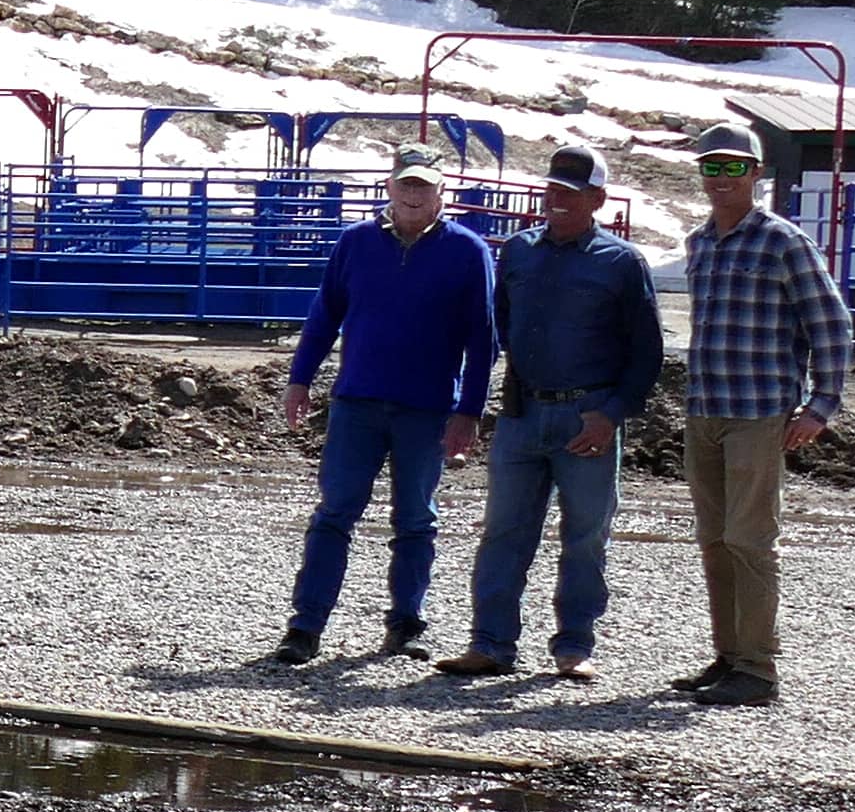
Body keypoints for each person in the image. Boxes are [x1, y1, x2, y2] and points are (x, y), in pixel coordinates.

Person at [438, 145, 665, 682]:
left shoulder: (623, 263)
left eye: (571, 192)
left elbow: (647, 353)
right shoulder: (518, 252)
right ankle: (490, 644)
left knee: (585, 535)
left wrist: (610, 414)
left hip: (588, 417)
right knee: (503, 531)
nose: (557, 199)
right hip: (522, 414)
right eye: (553, 189)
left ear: (598, 199)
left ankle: (574, 645)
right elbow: (499, 331)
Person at [267, 146, 498, 665]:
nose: (414, 195)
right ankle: (305, 627)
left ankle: (406, 624)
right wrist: (299, 379)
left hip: (428, 408)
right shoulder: (356, 243)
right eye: (406, 185)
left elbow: (483, 339)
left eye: (425, 187)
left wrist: (470, 411)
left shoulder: (467, 251)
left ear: (443, 193)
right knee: (334, 513)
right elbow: (324, 315)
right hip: (357, 404)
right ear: (389, 188)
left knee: (416, 519)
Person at [673, 120, 852, 707]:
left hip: (758, 413)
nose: (720, 177)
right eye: (711, 166)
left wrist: (820, 406)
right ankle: (727, 656)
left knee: (751, 540)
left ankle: (758, 668)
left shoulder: (783, 242)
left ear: (755, 173)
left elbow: (831, 324)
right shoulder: (699, 243)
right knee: (714, 540)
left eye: (732, 167)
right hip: (705, 410)